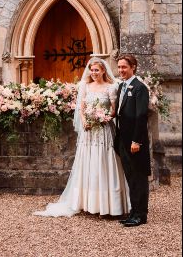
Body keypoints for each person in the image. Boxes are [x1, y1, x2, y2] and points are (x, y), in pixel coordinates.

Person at [34, 57, 130, 217]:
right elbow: (81, 108)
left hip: (104, 130)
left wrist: (104, 118)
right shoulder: (85, 86)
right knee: (89, 162)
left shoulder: (111, 87)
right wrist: (86, 121)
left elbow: (114, 110)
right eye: (92, 70)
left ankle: (109, 205)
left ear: (103, 71)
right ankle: (88, 202)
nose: (94, 73)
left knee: (104, 161)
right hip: (89, 132)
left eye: (97, 70)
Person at [114, 54, 154, 227]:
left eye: (124, 67)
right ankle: (133, 211)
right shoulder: (121, 86)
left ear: (133, 67)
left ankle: (140, 215)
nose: (121, 70)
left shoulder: (140, 88)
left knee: (139, 177)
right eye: (119, 67)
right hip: (123, 140)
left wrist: (136, 141)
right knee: (131, 178)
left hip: (135, 142)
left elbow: (141, 115)